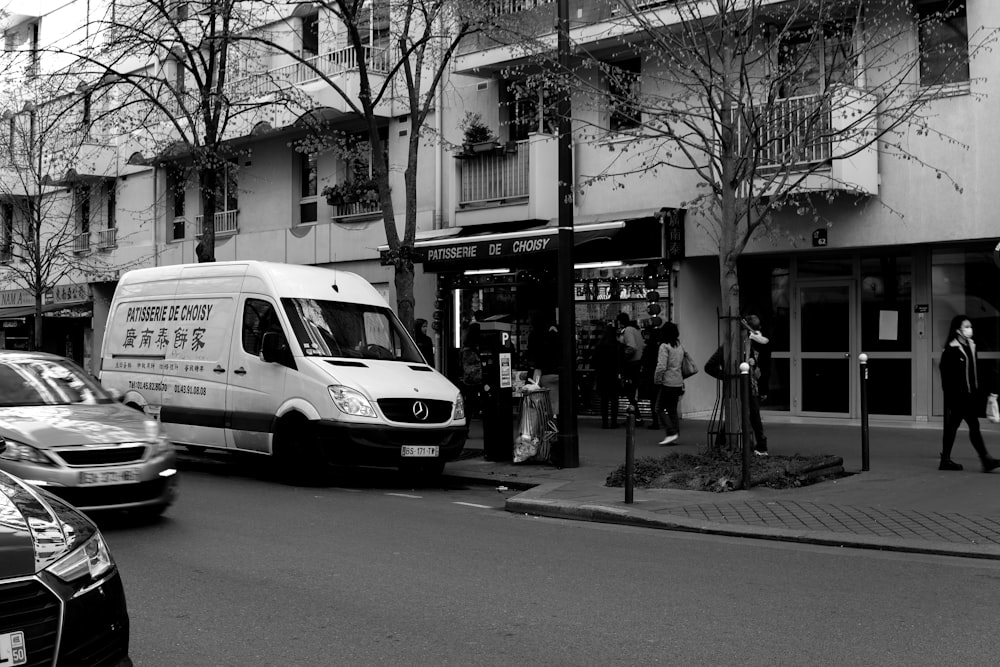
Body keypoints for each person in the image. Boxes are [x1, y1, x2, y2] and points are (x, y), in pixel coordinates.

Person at [938, 314, 1000, 472]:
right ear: (958, 330)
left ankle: (945, 460)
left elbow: (974, 370)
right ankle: (986, 460)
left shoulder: (971, 345)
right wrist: (951, 397)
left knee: (953, 427)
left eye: (970, 326)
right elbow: (946, 376)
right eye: (966, 327)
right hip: (959, 397)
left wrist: (981, 390)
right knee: (974, 425)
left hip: (970, 395)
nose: (969, 329)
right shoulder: (951, 349)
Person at [742, 313, 771, 456]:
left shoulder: (753, 340)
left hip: (752, 382)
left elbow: (763, 364)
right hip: (755, 382)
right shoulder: (757, 340)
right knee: (752, 414)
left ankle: (760, 445)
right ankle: (759, 445)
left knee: (751, 414)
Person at [653, 321, 684, 445]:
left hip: (667, 382)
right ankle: (675, 431)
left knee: (659, 408)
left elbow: (661, 366)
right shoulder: (679, 346)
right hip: (678, 381)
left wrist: (657, 380)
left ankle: (671, 432)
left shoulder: (664, 347)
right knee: (672, 409)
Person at [591, 324, 623, 429]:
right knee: (614, 400)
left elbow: (594, 361)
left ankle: (604, 422)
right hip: (613, 375)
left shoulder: (599, 346)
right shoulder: (617, 346)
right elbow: (621, 361)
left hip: (602, 375)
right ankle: (613, 422)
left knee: (604, 400)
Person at [617, 312, 645, 423]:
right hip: (638, 363)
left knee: (629, 391)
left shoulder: (628, 330)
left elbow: (631, 347)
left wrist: (622, 355)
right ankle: (635, 415)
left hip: (631, 364)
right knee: (632, 392)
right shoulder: (636, 330)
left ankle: (636, 416)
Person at [639, 324, 661, 429]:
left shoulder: (648, 348)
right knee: (659, 399)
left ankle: (655, 421)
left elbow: (643, 362)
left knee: (653, 399)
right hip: (659, 375)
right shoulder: (660, 348)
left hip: (650, 376)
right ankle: (662, 420)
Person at [460, 323, 483, 419]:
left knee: (469, 403)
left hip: (468, 378)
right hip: (476, 378)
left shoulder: (466, 347)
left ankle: (468, 422)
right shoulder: (475, 348)